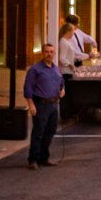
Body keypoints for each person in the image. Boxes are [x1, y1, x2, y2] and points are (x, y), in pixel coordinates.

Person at [23, 42, 64, 170]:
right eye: (47, 52)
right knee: (38, 132)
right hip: (41, 104)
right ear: (42, 53)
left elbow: (61, 81)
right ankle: (33, 159)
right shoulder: (35, 70)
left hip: (54, 104)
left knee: (50, 131)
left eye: (51, 52)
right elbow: (28, 88)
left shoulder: (56, 68)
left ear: (54, 53)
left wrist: (62, 89)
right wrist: (31, 105)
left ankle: (44, 157)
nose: (49, 54)